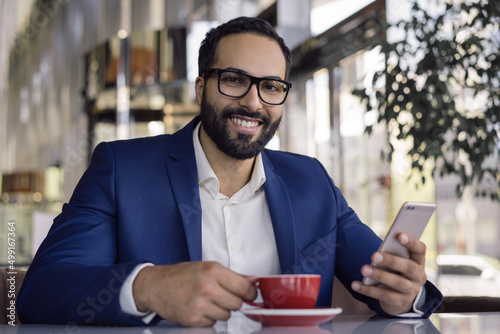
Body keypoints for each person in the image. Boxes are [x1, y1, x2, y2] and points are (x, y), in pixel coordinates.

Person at [18, 16, 442, 327]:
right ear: (201, 88)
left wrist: (407, 292)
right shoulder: (121, 170)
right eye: (235, 80)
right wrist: (149, 287)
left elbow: (380, 280)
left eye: (271, 86)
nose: (254, 103)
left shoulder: (311, 182)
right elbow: (42, 291)